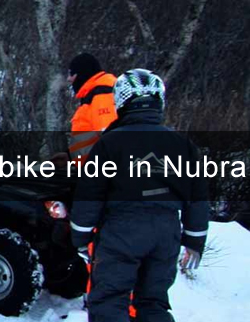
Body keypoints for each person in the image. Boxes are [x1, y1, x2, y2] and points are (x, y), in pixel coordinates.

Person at [69, 69, 208, 322]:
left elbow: (90, 193)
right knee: (153, 302)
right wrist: (194, 240)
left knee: (109, 301)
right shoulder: (182, 144)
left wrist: (80, 235)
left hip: (122, 230)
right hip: (166, 232)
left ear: (121, 101)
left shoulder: (109, 143)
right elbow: (198, 197)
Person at [61, 53, 119, 163]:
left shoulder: (102, 95)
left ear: (82, 73)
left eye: (71, 74)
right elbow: (91, 138)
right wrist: (70, 156)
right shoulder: (94, 95)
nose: (69, 79)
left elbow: (111, 142)